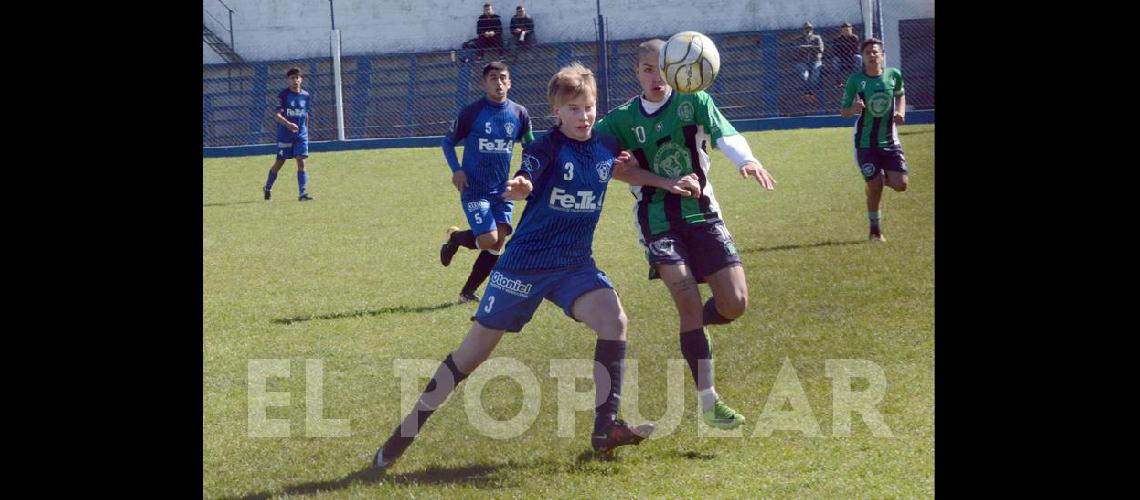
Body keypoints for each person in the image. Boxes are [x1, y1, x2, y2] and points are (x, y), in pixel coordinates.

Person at [374, 62, 703, 470]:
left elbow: (620, 170)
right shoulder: (543, 148)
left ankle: (606, 430)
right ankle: (401, 437)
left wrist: (669, 183)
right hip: (522, 269)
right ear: (557, 111)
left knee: (614, 320)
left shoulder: (602, 144)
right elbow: (528, 174)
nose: (583, 117)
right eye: (574, 109)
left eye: (589, 107)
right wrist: (520, 186)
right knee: (468, 357)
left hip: (574, 266)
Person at [593, 39, 776, 431]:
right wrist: (612, 162)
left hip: (704, 215)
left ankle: (697, 332)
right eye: (646, 69)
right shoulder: (621, 120)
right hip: (657, 222)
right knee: (687, 300)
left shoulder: (695, 102)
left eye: (661, 67)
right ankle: (710, 402)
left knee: (735, 303)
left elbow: (724, 132)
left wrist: (746, 161)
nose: (655, 76)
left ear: (676, 69)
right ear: (636, 73)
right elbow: (593, 152)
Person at [440, 62, 533, 303]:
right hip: (474, 190)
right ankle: (456, 238)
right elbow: (447, 142)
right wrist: (457, 170)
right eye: (493, 78)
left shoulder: (520, 113)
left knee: (498, 242)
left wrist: (524, 173)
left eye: (503, 78)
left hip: (503, 190)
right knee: (488, 240)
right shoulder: (471, 112)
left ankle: (467, 292)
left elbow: (531, 146)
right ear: (484, 83)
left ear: (510, 82)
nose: (499, 83)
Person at [840, 38, 908, 242]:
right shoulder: (855, 80)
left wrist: (900, 112)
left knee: (901, 184)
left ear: (882, 55)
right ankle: (875, 231)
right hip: (864, 141)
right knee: (876, 186)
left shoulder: (893, 75)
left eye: (875, 52)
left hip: (889, 139)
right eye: (868, 52)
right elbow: (844, 111)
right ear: (863, 58)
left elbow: (900, 94)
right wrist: (854, 109)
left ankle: (876, 180)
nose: (872, 55)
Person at [263, 67, 313, 201]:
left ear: (301, 79)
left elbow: (306, 113)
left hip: (300, 134)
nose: (295, 80)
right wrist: (288, 124)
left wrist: (306, 130)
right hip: (285, 134)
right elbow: (277, 115)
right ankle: (267, 187)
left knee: (301, 160)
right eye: (292, 78)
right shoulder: (283, 96)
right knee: (280, 162)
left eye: (297, 77)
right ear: (288, 80)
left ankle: (302, 194)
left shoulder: (306, 95)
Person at [794, 22, 824, 104]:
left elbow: (821, 49)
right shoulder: (798, 39)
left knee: (815, 73)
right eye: (806, 29)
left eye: (809, 28)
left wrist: (805, 47)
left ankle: (808, 93)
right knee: (805, 76)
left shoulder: (817, 38)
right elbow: (798, 50)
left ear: (812, 29)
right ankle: (810, 93)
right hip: (802, 61)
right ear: (803, 30)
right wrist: (813, 48)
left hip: (815, 60)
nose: (808, 30)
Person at [829, 22, 861, 87]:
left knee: (858, 57)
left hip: (852, 57)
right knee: (835, 60)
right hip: (842, 58)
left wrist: (849, 54)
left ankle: (855, 79)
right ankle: (837, 81)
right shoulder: (837, 39)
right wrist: (843, 56)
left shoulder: (854, 38)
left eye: (848, 29)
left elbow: (856, 50)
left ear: (851, 29)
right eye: (844, 30)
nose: (846, 31)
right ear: (842, 31)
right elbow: (836, 51)